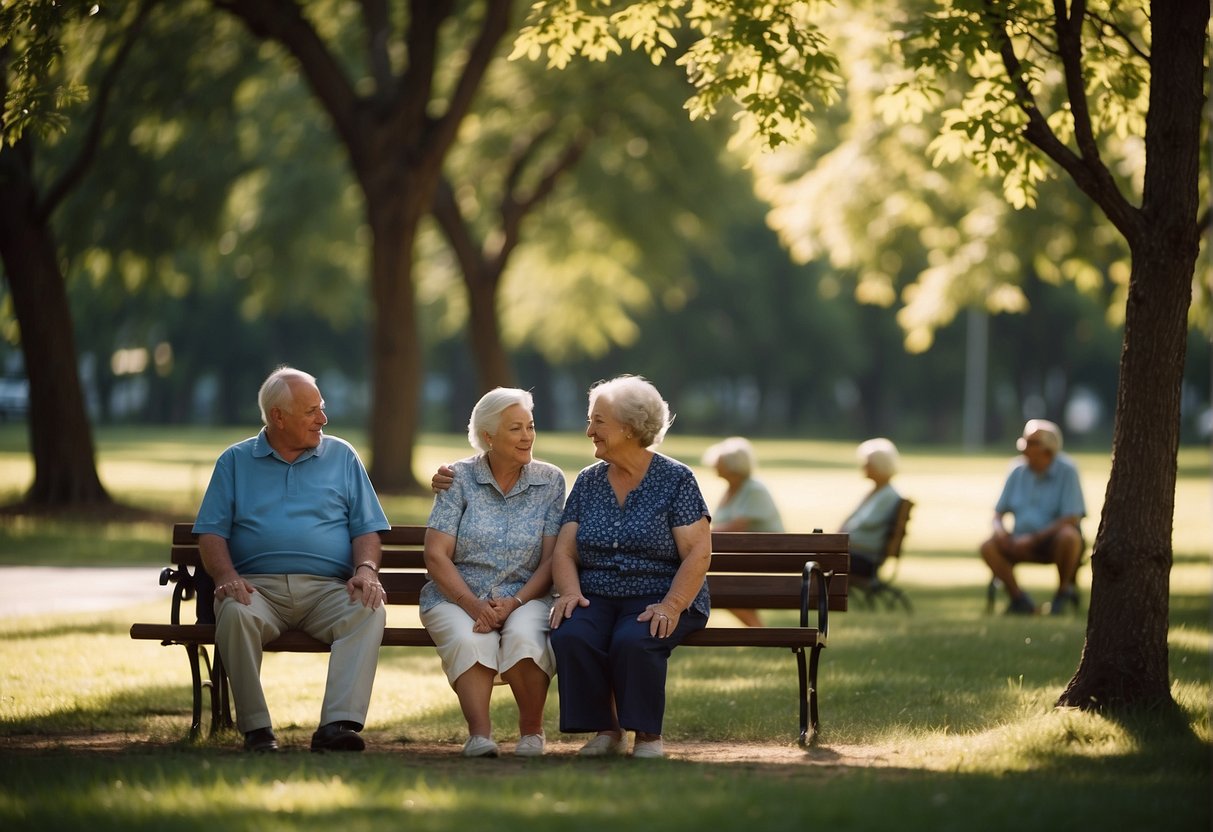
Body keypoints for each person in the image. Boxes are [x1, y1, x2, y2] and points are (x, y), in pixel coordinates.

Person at [193, 367, 390, 753]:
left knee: (369, 609)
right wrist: (226, 575)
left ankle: (337, 725)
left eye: (322, 408)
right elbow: (211, 533)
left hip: (327, 592)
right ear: (278, 417)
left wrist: (366, 570)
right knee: (233, 611)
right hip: (257, 590)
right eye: (311, 411)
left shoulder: (342, 456)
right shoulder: (234, 461)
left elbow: (366, 529)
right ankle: (257, 730)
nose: (323, 419)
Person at [548, 375, 712, 760]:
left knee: (634, 640)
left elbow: (698, 553)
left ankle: (648, 736)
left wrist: (672, 605)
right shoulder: (588, 482)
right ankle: (607, 729)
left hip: (661, 591)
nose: (589, 431)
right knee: (572, 635)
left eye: (598, 422)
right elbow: (565, 552)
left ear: (629, 427)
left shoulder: (676, 479)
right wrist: (570, 592)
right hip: (598, 593)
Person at [419, 388, 566, 758]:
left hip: (527, 593)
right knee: (470, 639)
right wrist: (472, 605)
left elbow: (552, 560)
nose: (527, 436)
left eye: (530, 426)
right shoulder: (458, 478)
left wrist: (514, 602)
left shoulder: (550, 481)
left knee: (526, 636)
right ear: (488, 437)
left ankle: (532, 732)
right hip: (457, 593)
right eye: (516, 429)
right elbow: (436, 555)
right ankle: (480, 736)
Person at [980, 419, 1086, 615]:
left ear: (1048, 450)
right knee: (988, 546)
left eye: (1031, 444)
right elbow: (998, 513)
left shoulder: (1067, 471)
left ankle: (1062, 594)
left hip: (1051, 542)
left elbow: (1071, 518)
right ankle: (1019, 600)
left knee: (1070, 537)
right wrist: (1001, 531)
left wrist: (1035, 539)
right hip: (1018, 540)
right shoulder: (1016, 470)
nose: (1024, 449)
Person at [702, 436, 784, 627]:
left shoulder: (754, 490)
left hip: (761, 560)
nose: (714, 464)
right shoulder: (732, 489)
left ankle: (758, 630)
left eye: (719, 461)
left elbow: (736, 527)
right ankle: (758, 632)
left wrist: (699, 533)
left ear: (733, 466)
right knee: (709, 584)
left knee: (712, 587)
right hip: (741, 558)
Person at [841, 438, 904, 584]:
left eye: (867, 463)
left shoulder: (887, 495)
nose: (863, 466)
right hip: (859, 555)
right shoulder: (878, 492)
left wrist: (836, 542)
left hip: (864, 559)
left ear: (879, 465)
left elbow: (864, 526)